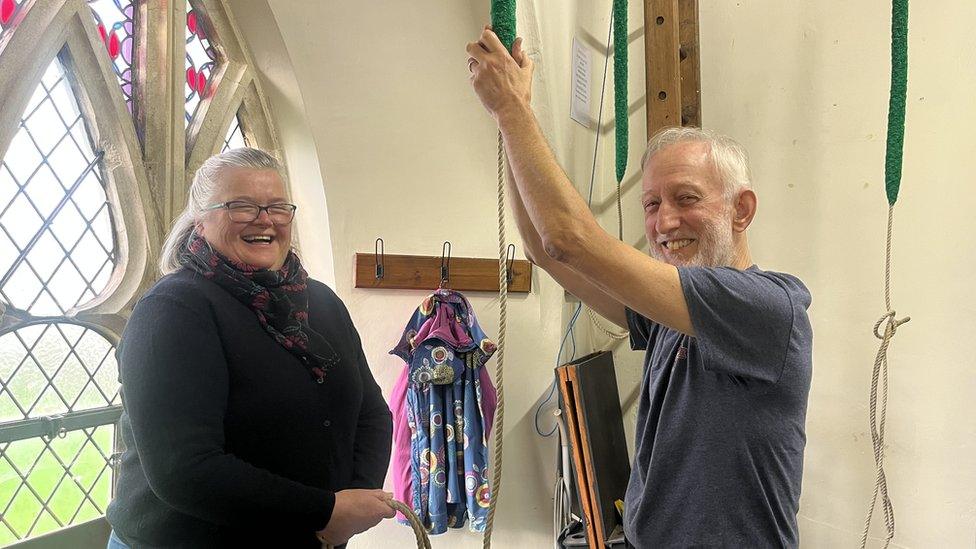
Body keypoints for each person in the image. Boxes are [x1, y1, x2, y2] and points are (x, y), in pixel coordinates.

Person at [466, 28, 813, 548]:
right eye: (652, 204)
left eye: (686, 197)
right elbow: (545, 249)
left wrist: (515, 112)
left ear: (741, 210)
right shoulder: (670, 312)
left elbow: (568, 239)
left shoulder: (767, 309)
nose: (666, 222)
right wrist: (506, 117)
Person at [106, 148, 394, 548]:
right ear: (200, 222)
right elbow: (185, 470)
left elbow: (370, 411)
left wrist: (352, 507)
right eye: (241, 207)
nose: (265, 220)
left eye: (278, 207)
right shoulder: (173, 310)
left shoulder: (321, 301)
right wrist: (324, 513)